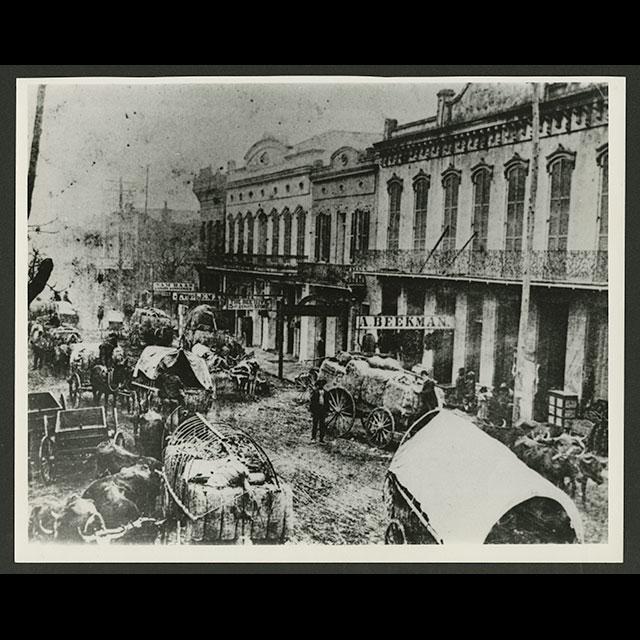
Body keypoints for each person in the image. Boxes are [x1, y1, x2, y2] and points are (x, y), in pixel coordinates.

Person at [309, 379, 328, 443]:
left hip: (322, 410)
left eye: (322, 384)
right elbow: (312, 402)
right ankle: (313, 438)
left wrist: (327, 411)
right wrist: (312, 411)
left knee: (322, 425)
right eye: (320, 384)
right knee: (315, 424)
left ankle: (321, 439)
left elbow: (327, 403)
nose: (321, 385)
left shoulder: (325, 392)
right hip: (316, 410)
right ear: (318, 385)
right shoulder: (315, 392)